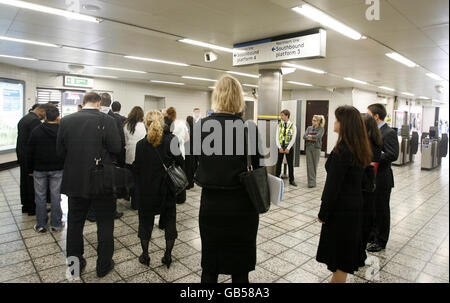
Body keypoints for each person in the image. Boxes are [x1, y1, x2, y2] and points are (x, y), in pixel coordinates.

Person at [195, 75, 263, 283]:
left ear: (217, 96)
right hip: (242, 206)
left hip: (211, 205)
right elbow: (258, 167)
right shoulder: (249, 129)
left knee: (210, 266)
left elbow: (196, 161)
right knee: (240, 268)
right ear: (238, 99)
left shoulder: (201, 126)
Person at [57, 92, 121, 278]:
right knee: (105, 223)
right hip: (102, 180)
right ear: (99, 103)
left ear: (83, 103)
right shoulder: (107, 120)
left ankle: (75, 265)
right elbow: (116, 148)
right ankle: (103, 265)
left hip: (75, 180)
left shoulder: (67, 121)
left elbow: (59, 152)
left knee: (75, 224)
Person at [316, 105, 372, 283]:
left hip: (341, 212)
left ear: (344, 124)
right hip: (354, 208)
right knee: (342, 259)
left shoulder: (343, 151)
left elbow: (332, 187)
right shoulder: (359, 148)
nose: (335, 122)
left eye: (338, 119)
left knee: (340, 260)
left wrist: (323, 213)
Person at [133, 110, 183, 268]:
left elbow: (137, 168)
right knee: (170, 221)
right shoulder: (172, 140)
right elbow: (180, 162)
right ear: (163, 122)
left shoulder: (141, 145)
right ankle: (167, 256)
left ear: (146, 124)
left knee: (145, 222)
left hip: (147, 190)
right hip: (167, 188)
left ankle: (145, 255)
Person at [86, 93, 124, 222]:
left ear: (100, 102)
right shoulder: (116, 119)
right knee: (109, 188)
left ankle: (91, 213)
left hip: (89, 159)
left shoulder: (87, 117)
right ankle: (110, 212)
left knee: (92, 187)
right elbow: (119, 142)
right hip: (109, 160)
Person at [366, 104, 399, 253]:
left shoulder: (389, 132)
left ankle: (381, 240)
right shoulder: (372, 132)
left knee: (381, 210)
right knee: (372, 208)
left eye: (368, 114)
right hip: (371, 176)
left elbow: (393, 154)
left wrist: (373, 157)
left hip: (382, 178)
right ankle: (372, 235)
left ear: (376, 116)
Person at [27, 105, 64, 233]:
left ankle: (41, 224)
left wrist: (29, 169)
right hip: (58, 168)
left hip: (39, 169)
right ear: (58, 116)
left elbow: (29, 152)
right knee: (56, 196)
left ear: (46, 116)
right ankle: (56, 224)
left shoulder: (37, 130)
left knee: (40, 197)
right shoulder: (62, 131)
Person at [17, 104, 47, 215]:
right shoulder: (34, 121)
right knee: (31, 183)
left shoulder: (26, 118)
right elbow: (37, 141)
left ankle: (26, 205)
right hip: (29, 156)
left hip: (22, 154)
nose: (45, 116)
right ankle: (32, 207)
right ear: (41, 110)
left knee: (25, 182)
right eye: (45, 113)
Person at [361, 114, 383, 250]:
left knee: (367, 213)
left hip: (366, 182)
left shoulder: (370, 143)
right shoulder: (374, 140)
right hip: (368, 182)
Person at [123, 106, 147, 210]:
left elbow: (125, 140)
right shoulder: (142, 126)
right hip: (140, 156)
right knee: (139, 181)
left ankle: (131, 199)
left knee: (131, 180)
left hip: (128, 156)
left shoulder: (126, 125)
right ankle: (137, 203)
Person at [166, 107, 188, 204]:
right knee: (181, 174)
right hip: (181, 151)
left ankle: (174, 195)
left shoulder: (170, 125)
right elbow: (187, 138)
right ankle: (182, 197)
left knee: (172, 174)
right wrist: (181, 142)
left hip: (172, 151)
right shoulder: (182, 123)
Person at [275, 110, 298, 187]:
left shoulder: (293, 126)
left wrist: (288, 148)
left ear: (287, 116)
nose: (281, 117)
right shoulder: (279, 125)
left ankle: (292, 180)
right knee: (279, 163)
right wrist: (279, 147)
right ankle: (276, 178)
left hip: (289, 147)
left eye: (282, 115)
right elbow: (277, 137)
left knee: (290, 164)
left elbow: (293, 138)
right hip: (281, 147)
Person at [303, 115, 326, 188]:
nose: (313, 121)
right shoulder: (309, 128)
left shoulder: (321, 129)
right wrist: (312, 137)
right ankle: (310, 182)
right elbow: (304, 136)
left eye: (315, 120)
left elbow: (318, 137)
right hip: (309, 148)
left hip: (316, 148)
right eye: (312, 120)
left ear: (318, 121)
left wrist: (310, 137)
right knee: (309, 165)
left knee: (314, 165)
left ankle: (313, 181)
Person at [184, 116, 196, 189]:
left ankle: (188, 184)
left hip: (187, 150)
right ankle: (191, 182)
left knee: (187, 167)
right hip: (194, 150)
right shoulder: (196, 129)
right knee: (192, 167)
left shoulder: (186, 129)